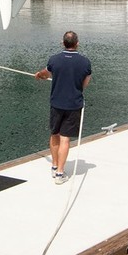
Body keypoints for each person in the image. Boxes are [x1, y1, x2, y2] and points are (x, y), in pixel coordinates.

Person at [35, 31, 92, 184]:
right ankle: (60, 173)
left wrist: (39, 75)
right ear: (77, 43)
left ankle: (54, 166)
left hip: (56, 103)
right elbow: (84, 84)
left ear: (63, 43)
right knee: (65, 138)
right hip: (73, 104)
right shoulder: (85, 62)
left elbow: (45, 74)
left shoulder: (54, 60)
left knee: (55, 134)